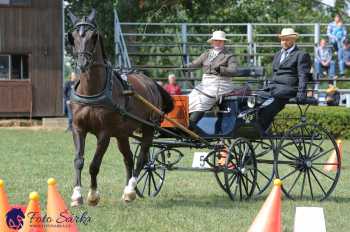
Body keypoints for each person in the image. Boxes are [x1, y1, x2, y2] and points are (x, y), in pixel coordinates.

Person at [258, 28, 311, 131]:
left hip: (288, 89)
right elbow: (274, 73)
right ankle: (252, 124)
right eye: (282, 39)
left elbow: (303, 76)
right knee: (254, 97)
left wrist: (301, 93)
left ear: (293, 40)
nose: (284, 42)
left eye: (287, 39)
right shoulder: (278, 54)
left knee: (274, 100)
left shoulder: (301, 55)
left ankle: (261, 127)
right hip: (274, 88)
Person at [184, 30, 237, 129]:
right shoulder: (206, 54)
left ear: (223, 42)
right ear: (212, 42)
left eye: (220, 41)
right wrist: (186, 67)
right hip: (206, 83)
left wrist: (221, 69)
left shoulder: (229, 55)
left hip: (221, 83)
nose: (217, 42)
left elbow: (233, 71)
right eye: (215, 40)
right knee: (191, 98)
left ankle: (191, 125)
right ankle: (183, 124)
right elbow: (195, 64)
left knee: (202, 100)